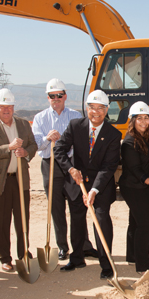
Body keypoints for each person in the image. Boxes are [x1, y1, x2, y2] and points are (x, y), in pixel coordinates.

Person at [53, 90, 121, 279]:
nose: (96, 112)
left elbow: (109, 166)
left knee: (101, 221)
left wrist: (94, 190)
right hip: (77, 184)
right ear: (86, 108)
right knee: (77, 221)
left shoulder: (113, 134)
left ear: (107, 110)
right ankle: (76, 258)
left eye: (100, 108)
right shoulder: (76, 126)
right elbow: (59, 149)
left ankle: (106, 264)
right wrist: (70, 169)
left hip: (101, 186)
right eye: (92, 107)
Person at [31, 78, 97, 264]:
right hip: (50, 165)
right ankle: (62, 247)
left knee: (77, 206)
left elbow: (84, 141)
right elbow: (36, 144)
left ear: (65, 96)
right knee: (57, 208)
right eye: (52, 96)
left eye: (59, 95)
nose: (56, 98)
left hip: (71, 166)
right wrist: (47, 138)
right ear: (48, 97)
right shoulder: (40, 118)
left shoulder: (75, 116)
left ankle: (83, 245)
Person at [0, 89, 38, 272]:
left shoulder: (22, 124)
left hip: (20, 180)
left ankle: (23, 253)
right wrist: (9, 148)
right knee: (1, 222)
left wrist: (25, 152)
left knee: (23, 219)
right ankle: (5, 258)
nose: (6, 110)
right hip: (0, 182)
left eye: (9, 106)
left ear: (14, 107)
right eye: (2, 106)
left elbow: (33, 144)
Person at [118, 101, 149, 273]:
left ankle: (132, 256)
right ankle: (143, 265)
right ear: (132, 120)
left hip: (145, 186)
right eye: (139, 118)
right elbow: (135, 170)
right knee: (145, 223)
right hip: (132, 186)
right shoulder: (128, 143)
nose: (144, 122)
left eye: (146, 118)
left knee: (135, 221)